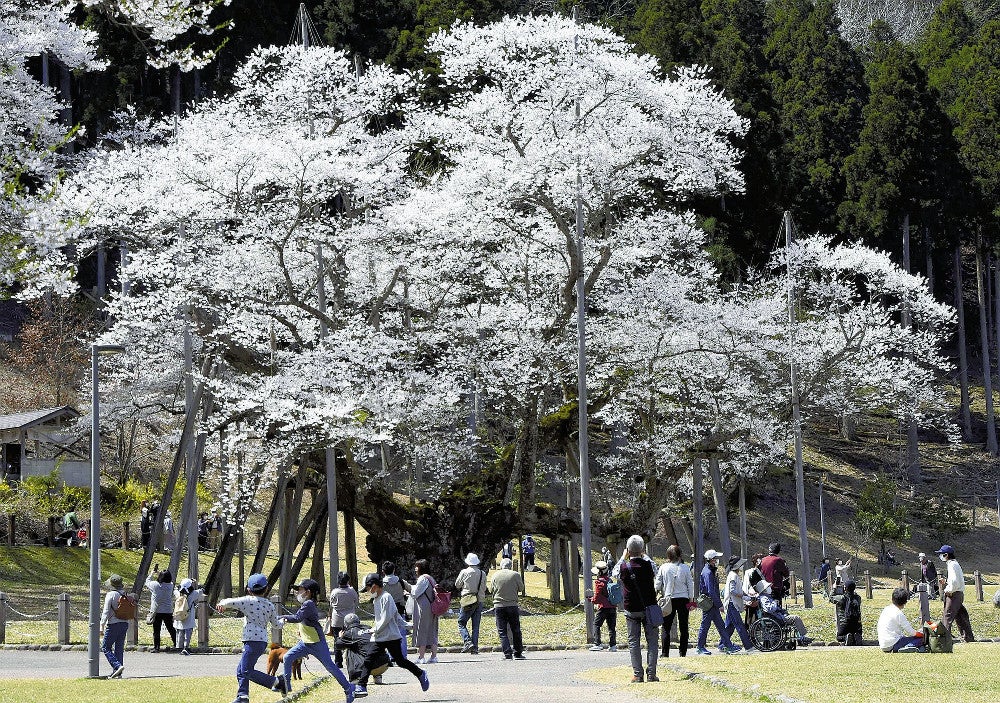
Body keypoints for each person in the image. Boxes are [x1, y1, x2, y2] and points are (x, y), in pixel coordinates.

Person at [276, 578, 355, 702]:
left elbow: (297, 617)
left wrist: (280, 617)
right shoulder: (307, 603)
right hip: (306, 642)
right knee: (287, 657)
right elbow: (302, 619)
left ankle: (348, 688)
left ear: (308, 592)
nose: (297, 593)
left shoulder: (308, 604)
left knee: (330, 667)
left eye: (299, 590)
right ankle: (286, 684)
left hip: (317, 643)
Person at [355, 573, 429, 699]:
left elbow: (387, 618)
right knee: (369, 659)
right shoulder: (377, 599)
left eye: (367, 589)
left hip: (390, 636)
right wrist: (406, 624)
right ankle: (361, 686)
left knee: (401, 661)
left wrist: (374, 630)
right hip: (380, 637)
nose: (367, 591)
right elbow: (395, 616)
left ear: (374, 586)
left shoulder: (386, 597)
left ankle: (421, 673)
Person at [216, 573, 283, 703]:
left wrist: (222, 604)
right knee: (241, 669)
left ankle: (277, 682)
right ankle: (243, 696)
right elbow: (276, 625)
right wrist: (283, 621)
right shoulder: (270, 605)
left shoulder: (247, 601)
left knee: (246, 670)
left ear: (249, 590)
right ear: (267, 589)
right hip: (261, 641)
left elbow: (230, 601)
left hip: (251, 641)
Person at [613, 534, 659, 683]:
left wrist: (622, 557)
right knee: (652, 641)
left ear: (628, 550)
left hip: (631, 609)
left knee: (634, 642)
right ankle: (651, 674)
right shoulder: (648, 565)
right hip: (649, 607)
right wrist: (645, 556)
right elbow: (656, 569)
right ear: (642, 549)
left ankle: (638, 674)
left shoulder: (624, 567)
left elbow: (614, 573)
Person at [696, 549, 740, 655]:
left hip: (712, 604)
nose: (717, 561)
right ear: (711, 560)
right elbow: (711, 591)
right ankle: (700, 647)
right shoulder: (708, 572)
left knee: (720, 626)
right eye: (715, 559)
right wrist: (719, 605)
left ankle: (728, 645)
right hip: (709, 604)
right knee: (705, 626)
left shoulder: (710, 571)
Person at [655, 544, 694, 657]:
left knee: (666, 627)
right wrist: (691, 601)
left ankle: (665, 653)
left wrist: (656, 594)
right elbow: (690, 586)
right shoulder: (685, 568)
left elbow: (657, 584)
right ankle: (683, 653)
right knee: (684, 626)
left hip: (669, 599)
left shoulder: (663, 567)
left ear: (668, 556)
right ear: (680, 555)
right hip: (684, 599)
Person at [336, 613, 391, 685]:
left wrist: (340, 637)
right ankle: (378, 677)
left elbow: (338, 646)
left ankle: (355, 678)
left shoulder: (350, 633)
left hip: (369, 668)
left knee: (350, 650)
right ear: (358, 621)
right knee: (370, 648)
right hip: (384, 664)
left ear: (345, 624)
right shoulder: (369, 628)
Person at [936, 545, 975, 642]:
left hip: (954, 594)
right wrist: (946, 581)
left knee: (947, 616)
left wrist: (949, 590)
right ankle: (968, 637)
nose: (941, 556)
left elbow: (954, 581)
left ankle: (945, 639)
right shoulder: (955, 564)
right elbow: (955, 580)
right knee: (961, 616)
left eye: (942, 554)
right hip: (959, 594)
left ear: (946, 555)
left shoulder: (951, 565)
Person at [100, 573, 135, 678]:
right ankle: (118, 672)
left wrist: (101, 625)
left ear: (112, 585)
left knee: (106, 647)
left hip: (113, 624)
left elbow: (106, 611)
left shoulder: (111, 595)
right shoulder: (124, 594)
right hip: (124, 623)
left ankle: (117, 665)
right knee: (119, 647)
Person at [755, 580, 811, 644]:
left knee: (793, 618)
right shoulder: (764, 598)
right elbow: (770, 609)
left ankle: (801, 637)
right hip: (776, 619)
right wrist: (774, 602)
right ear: (764, 590)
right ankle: (802, 637)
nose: (770, 588)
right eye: (768, 587)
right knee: (796, 618)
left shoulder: (767, 597)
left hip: (777, 617)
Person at [490, 557, 525, 660]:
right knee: (516, 629)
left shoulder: (495, 575)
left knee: (502, 631)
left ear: (501, 566)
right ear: (510, 566)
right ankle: (518, 653)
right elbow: (521, 588)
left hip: (499, 605)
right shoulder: (515, 575)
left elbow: (492, 589)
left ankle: (507, 653)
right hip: (512, 605)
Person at [455, 552, 487, 654]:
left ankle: (468, 641)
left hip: (468, 599)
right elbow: (484, 587)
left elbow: (457, 585)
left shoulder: (464, 572)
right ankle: (475, 648)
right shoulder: (482, 573)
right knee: (476, 626)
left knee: (461, 622)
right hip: (479, 600)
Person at [409, 559, 439, 664]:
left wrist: (409, 589)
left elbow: (415, 593)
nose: (415, 568)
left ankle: (421, 657)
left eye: (417, 566)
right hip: (433, 607)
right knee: (432, 630)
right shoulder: (431, 578)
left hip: (424, 608)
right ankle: (434, 656)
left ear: (421, 567)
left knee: (422, 630)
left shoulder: (422, 578)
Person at [877, 587, 925, 652]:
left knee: (906, 638)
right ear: (905, 602)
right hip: (893, 644)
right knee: (922, 639)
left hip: (883, 645)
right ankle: (908, 647)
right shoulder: (899, 613)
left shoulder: (886, 609)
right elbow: (912, 632)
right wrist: (923, 635)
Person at [722, 556, 754, 652]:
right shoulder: (733, 575)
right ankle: (748, 646)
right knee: (739, 625)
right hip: (732, 604)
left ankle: (722, 644)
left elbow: (738, 590)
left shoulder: (734, 575)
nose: (742, 567)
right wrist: (743, 597)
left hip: (733, 603)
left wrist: (747, 595)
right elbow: (733, 591)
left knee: (729, 627)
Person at [328, 571, 359, 667]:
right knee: (352, 639)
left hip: (337, 619)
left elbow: (331, 605)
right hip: (350, 619)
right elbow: (357, 603)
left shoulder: (334, 592)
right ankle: (352, 660)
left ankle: (338, 662)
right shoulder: (352, 591)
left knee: (337, 640)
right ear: (347, 580)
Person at [588, 561, 618, 652]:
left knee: (596, 624)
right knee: (611, 627)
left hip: (603, 607)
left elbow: (597, 596)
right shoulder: (610, 580)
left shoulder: (599, 582)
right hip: (612, 606)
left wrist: (591, 599)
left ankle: (597, 643)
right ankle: (613, 645)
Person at [146, 567, 177, 652]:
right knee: (171, 628)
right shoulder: (171, 585)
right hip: (168, 610)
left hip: (157, 611)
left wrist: (152, 573)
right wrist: (161, 573)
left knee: (156, 630)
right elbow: (165, 578)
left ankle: (156, 647)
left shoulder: (155, 585)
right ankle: (176, 644)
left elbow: (147, 582)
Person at [173, 577, 204, 655]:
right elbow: (203, 590)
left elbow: (175, 589)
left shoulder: (178, 594)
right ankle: (186, 647)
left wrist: (179, 586)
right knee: (188, 633)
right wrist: (197, 583)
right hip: (188, 617)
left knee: (180, 633)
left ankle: (179, 648)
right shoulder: (193, 594)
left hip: (179, 617)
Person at [830, 580, 863, 645]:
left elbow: (831, 597)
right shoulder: (858, 598)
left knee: (839, 637)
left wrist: (834, 588)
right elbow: (854, 595)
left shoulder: (841, 598)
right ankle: (856, 636)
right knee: (854, 632)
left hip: (845, 623)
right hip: (857, 624)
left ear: (845, 588)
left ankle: (846, 637)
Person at [742, 553, 764, 629]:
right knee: (750, 621)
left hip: (761, 599)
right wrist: (746, 601)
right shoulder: (748, 572)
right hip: (752, 599)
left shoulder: (763, 572)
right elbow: (745, 587)